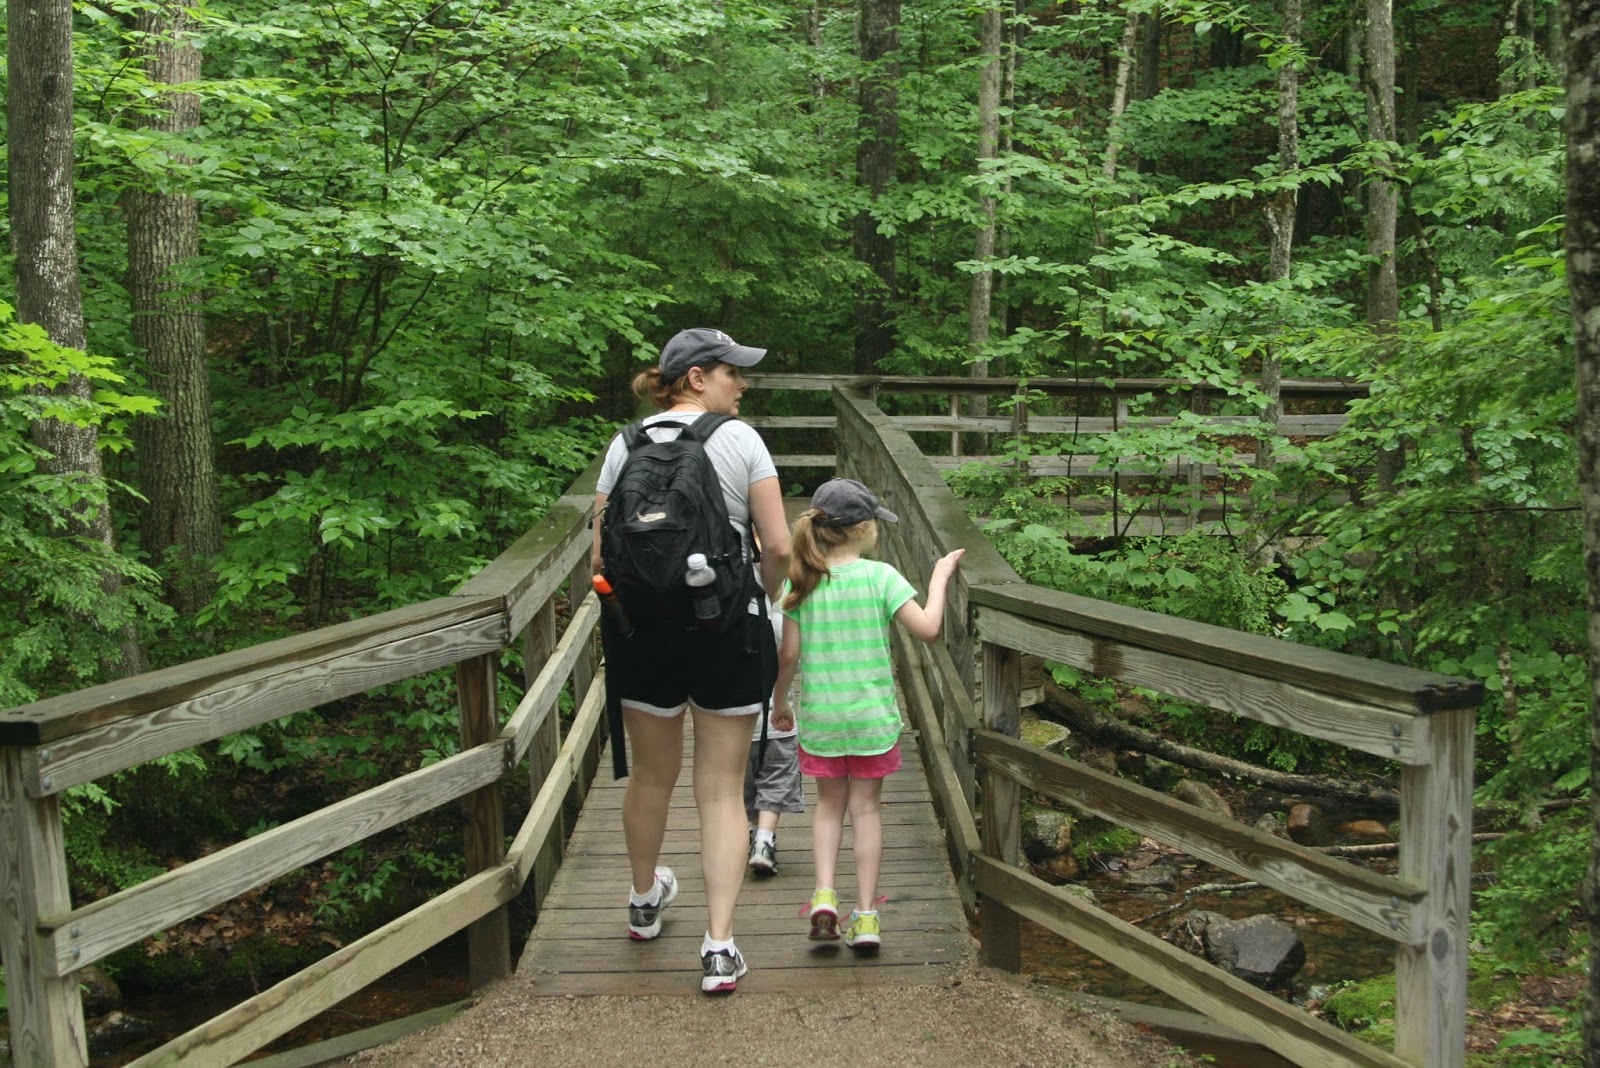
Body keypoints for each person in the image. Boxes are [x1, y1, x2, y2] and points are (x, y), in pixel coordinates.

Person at [591, 327, 791, 994]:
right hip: (725, 631)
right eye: (732, 372)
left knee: (651, 776)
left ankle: (645, 902)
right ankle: (719, 946)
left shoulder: (622, 446)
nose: (742, 384)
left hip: (641, 634)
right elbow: (781, 548)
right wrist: (759, 597)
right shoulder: (741, 441)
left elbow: (599, 557)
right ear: (697, 378)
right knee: (719, 787)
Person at [771, 478, 964, 951]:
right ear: (862, 529)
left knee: (828, 810)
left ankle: (823, 898)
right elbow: (930, 630)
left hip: (823, 718)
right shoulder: (883, 577)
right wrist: (938, 577)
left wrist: (780, 701)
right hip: (873, 718)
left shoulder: (802, 581)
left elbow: (789, 654)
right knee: (867, 811)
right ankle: (868, 916)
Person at [746, 603, 803, 877]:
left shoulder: (731, 602)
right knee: (775, 782)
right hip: (778, 723)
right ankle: (764, 838)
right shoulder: (786, 608)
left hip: (734, 724)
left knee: (736, 788)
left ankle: (751, 835)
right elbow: (793, 656)